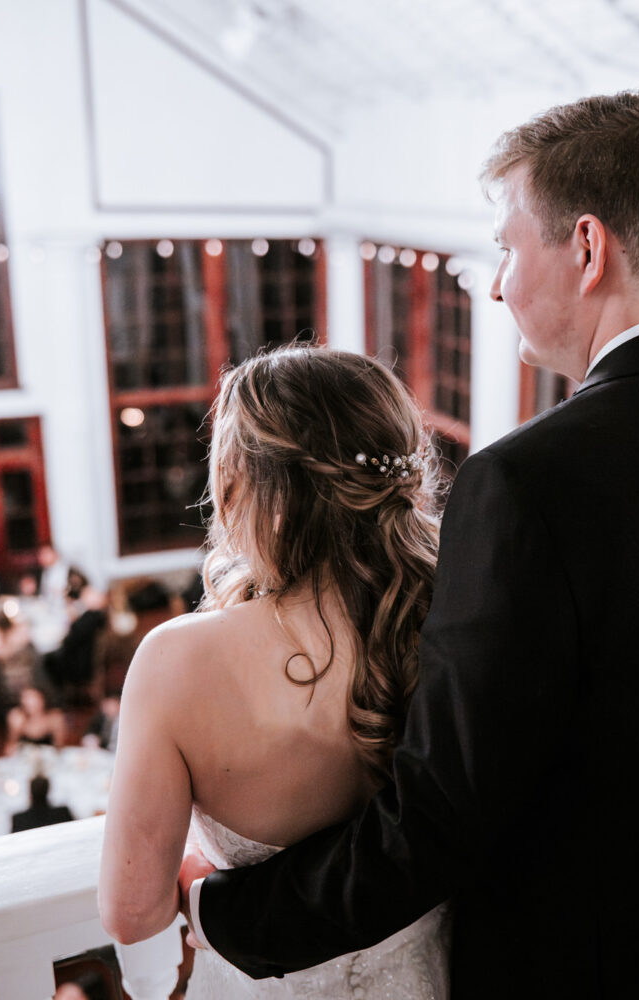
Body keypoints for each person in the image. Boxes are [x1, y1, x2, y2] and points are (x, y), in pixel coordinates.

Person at [188, 93, 639, 998]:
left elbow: (438, 817)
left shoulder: (526, 483)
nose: (497, 283)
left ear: (588, 249)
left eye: (506, 248)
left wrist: (229, 913)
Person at [98, 345, 446, 998]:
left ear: (254, 493)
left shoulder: (177, 664)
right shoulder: (463, 610)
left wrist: (202, 880)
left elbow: (131, 908)